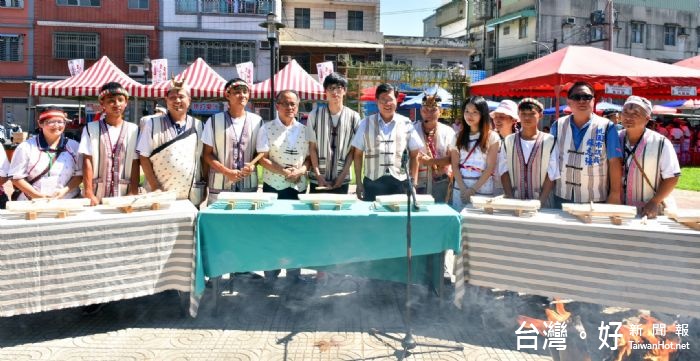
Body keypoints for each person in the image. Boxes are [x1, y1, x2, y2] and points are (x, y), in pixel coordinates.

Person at [257, 90, 313, 282]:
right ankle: (271, 273)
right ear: (278, 105)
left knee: (295, 229)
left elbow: (309, 159)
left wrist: (301, 171)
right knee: (272, 230)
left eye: (293, 104)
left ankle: (294, 273)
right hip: (273, 186)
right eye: (286, 104)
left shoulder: (305, 130)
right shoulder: (266, 128)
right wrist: (284, 172)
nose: (290, 108)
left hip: (297, 187)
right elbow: (262, 159)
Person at [550, 81, 623, 206]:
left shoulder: (607, 127)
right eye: (576, 97)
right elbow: (551, 160)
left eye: (586, 97)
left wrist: (615, 193)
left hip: (595, 197)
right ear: (569, 102)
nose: (582, 101)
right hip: (562, 195)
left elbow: (614, 162)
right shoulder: (558, 125)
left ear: (593, 100)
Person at [350, 83, 424, 201]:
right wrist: (358, 184)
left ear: (397, 99)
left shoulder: (406, 123)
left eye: (390, 99)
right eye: (383, 100)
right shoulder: (365, 123)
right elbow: (358, 154)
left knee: (398, 218)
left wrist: (413, 183)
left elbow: (415, 154)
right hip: (372, 182)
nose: (387, 103)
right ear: (376, 101)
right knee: (372, 217)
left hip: (400, 183)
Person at [136, 79, 204, 205]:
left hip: (190, 195)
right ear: (166, 100)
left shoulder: (199, 125)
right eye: (172, 97)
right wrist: (155, 187)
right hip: (159, 193)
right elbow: (143, 157)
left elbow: (203, 159)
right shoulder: (152, 124)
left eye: (181, 97)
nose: (177, 101)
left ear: (189, 100)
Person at [618, 96, 680, 218]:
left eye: (635, 113)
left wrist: (654, 202)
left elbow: (672, 177)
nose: (628, 117)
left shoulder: (661, 143)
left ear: (647, 118)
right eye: (625, 112)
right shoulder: (614, 138)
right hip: (618, 207)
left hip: (648, 209)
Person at [203, 78, 263, 204]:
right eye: (237, 92)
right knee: (218, 221)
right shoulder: (214, 121)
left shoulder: (257, 121)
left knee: (245, 221)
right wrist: (227, 172)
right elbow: (207, 154)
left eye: (245, 92)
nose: (242, 95)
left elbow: (262, 152)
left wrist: (253, 165)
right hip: (220, 185)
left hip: (248, 186)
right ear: (227, 95)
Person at [79, 82, 140, 206]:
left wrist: (133, 191)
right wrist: (89, 192)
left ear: (126, 102)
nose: (117, 104)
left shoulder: (134, 129)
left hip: (124, 193)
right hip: (97, 193)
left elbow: (135, 162)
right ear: (102, 104)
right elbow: (87, 161)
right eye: (111, 101)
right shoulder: (91, 129)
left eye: (120, 100)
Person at [9, 108, 82, 201]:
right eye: (51, 122)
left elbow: (79, 175)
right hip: (31, 203)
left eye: (60, 121)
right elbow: (16, 177)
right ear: (40, 123)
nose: (56, 125)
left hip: (67, 201)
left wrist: (64, 191)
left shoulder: (74, 146)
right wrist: (37, 196)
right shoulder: (25, 147)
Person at [499, 98, 559, 206]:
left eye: (532, 114)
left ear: (540, 115)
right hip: (515, 201)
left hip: (544, 203)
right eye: (523, 113)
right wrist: (511, 199)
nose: (527, 117)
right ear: (518, 115)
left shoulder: (550, 141)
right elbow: (504, 171)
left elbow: (552, 174)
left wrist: (540, 202)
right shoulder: (508, 141)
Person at [308, 72, 360, 194]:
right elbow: (312, 148)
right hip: (318, 179)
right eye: (330, 88)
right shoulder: (314, 115)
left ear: (345, 91)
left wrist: (342, 176)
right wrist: (318, 175)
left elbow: (353, 151)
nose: (334, 92)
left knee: (339, 211)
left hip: (342, 178)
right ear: (325, 91)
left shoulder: (354, 117)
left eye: (338, 87)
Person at [450, 96, 500, 210]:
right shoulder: (457, 136)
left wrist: (472, 190)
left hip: (483, 189)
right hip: (460, 189)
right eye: (466, 111)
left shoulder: (492, 137)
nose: (469, 115)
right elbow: (455, 166)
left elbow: (490, 167)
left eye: (474, 112)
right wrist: (464, 190)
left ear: (482, 114)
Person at [414, 92, 455, 203]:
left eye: (433, 110)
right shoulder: (412, 130)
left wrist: (431, 161)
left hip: (441, 182)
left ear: (440, 111)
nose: (429, 113)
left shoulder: (448, 132)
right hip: (418, 182)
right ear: (421, 111)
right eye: (425, 110)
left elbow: (453, 159)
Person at [490, 99, 519, 196]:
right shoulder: (491, 139)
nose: (497, 120)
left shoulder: (520, 141)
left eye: (502, 117)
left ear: (513, 120)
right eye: (495, 117)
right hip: (491, 188)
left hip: (514, 189)